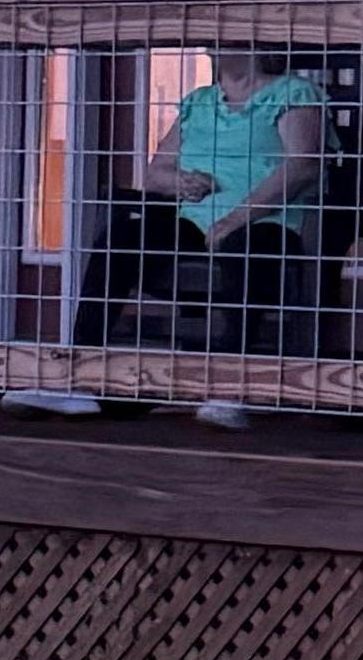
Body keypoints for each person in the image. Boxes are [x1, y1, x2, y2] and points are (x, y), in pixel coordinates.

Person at [127, 52, 329, 425]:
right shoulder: (199, 101)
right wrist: (180, 181)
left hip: (268, 221)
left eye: (232, 39)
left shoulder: (294, 93)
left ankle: (229, 387)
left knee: (243, 247)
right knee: (123, 235)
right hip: (195, 220)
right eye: (215, 42)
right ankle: (77, 374)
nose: (218, 48)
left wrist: (237, 217)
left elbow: (304, 165)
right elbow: (156, 173)